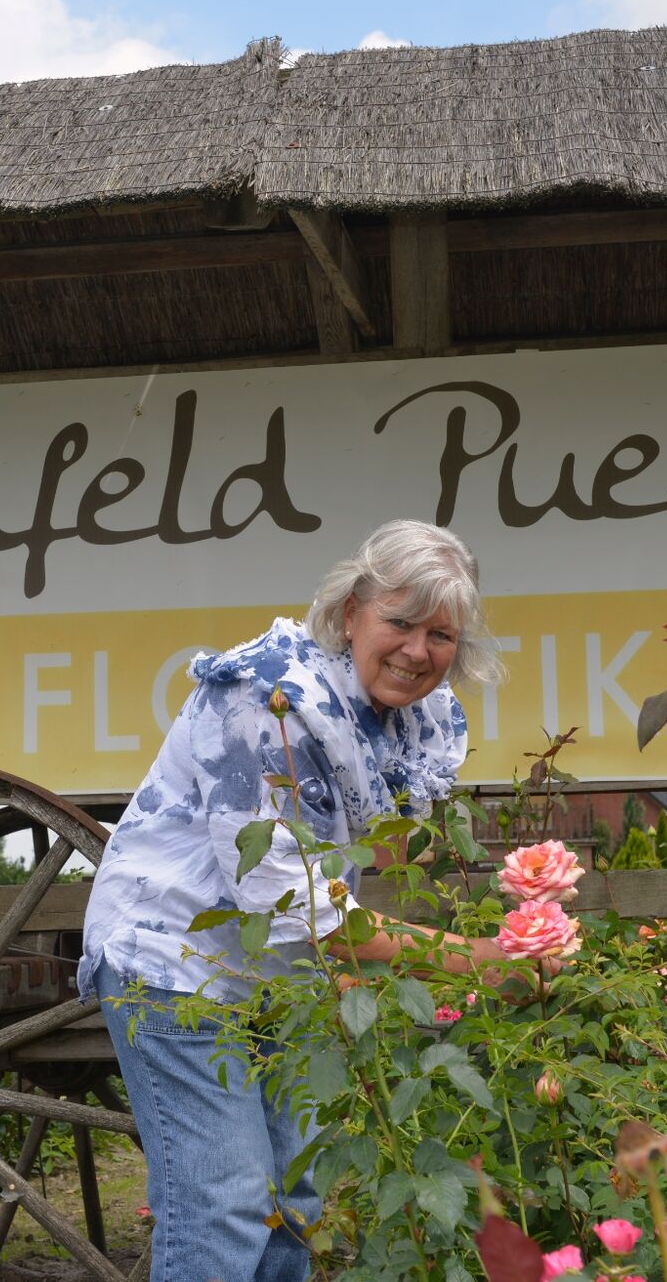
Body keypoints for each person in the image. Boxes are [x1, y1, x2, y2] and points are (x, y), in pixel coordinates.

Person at [77, 519, 509, 1282]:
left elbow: (338, 863)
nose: (418, 651)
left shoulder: (409, 721)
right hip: (173, 959)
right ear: (351, 612)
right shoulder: (262, 697)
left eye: (440, 635)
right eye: (401, 623)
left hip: (280, 978)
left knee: (295, 1199)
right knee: (224, 1203)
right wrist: (476, 960)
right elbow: (295, 907)